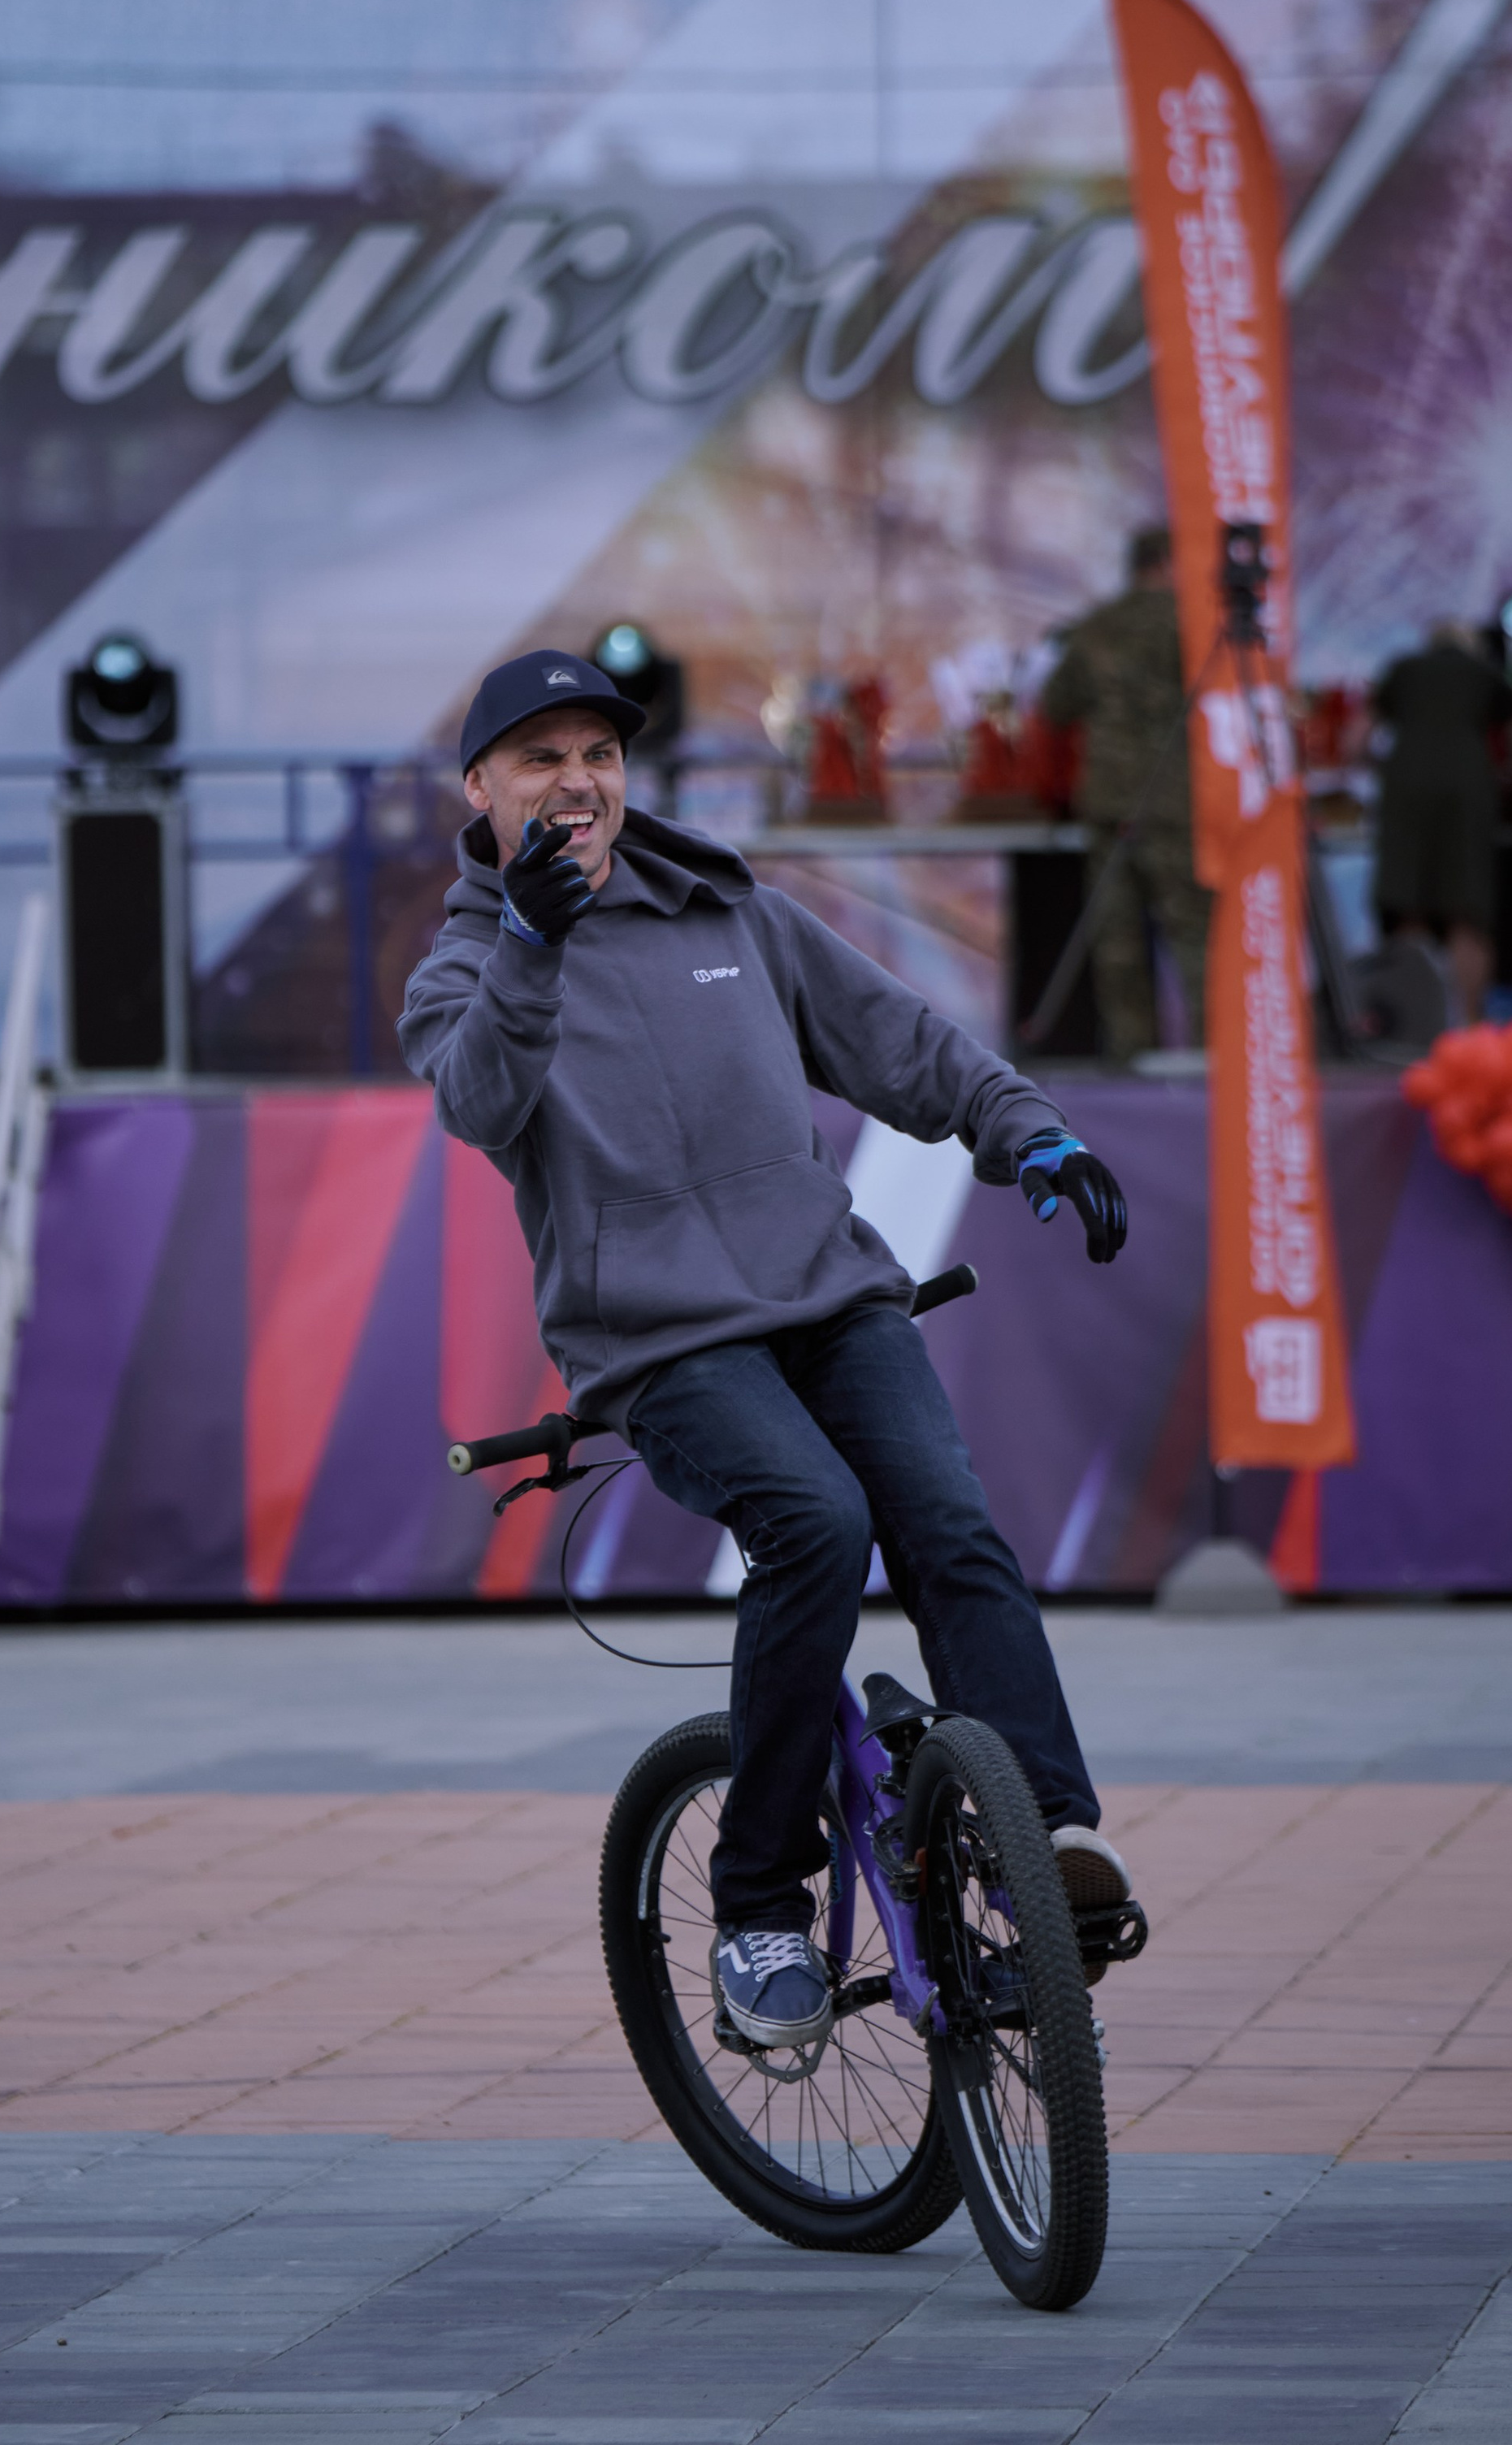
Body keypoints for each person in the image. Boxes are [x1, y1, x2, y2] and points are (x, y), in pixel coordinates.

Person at [401, 648, 1134, 2053]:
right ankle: (757, 1907)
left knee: (952, 1527)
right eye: (542, 757)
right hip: (664, 1347)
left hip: (833, 1302)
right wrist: (533, 950)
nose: (577, 779)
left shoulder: (729, 906)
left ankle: (1046, 1844)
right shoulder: (462, 973)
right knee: (816, 1520)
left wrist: (1031, 1132)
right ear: (483, 790)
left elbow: (903, 1043)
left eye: (599, 754)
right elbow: (482, 1102)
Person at [1040, 524, 1210, 1061]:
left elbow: (1054, 705)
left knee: (1118, 948)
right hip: (1180, 807)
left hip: (1111, 806)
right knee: (1196, 942)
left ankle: (1134, 1063)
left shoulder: (1095, 629)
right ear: (1169, 563)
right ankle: (1215, 1060)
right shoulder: (1201, 628)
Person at [1371, 622, 1512, 1026]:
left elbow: (1360, 738)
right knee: (1468, 911)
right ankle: (1469, 1023)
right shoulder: (1484, 673)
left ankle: (1414, 1025)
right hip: (1468, 790)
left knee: (1408, 905)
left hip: (1405, 787)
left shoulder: (1403, 669)